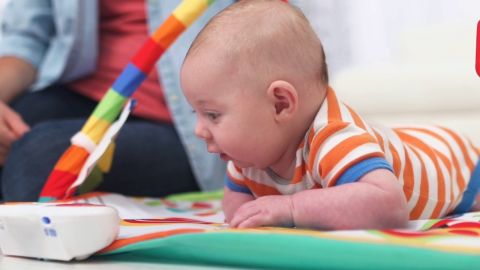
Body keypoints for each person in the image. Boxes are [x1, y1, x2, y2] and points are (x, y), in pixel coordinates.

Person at [180, 0, 480, 230]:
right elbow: (239, 210)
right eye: (197, 113)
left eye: (212, 115)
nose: (198, 130)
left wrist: (292, 209)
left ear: (280, 104)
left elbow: (389, 206)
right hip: (402, 142)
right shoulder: (247, 154)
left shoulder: (333, 137)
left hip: (453, 162)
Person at [0, 0, 235, 201]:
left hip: (183, 125)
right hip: (84, 95)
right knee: (14, 128)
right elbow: (25, 39)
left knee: (37, 157)